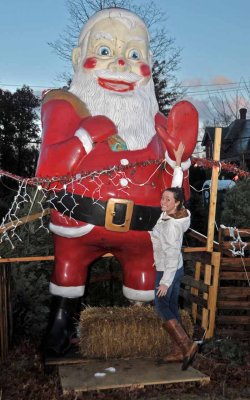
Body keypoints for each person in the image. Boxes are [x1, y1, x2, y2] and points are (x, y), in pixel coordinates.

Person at [36, 7, 198, 354]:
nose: (122, 64)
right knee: (68, 276)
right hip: (79, 222)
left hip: (143, 233)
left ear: (149, 65)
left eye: (134, 54)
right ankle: (60, 328)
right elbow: (47, 172)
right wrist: (84, 137)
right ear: (80, 58)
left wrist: (177, 161)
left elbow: (180, 196)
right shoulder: (64, 110)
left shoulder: (159, 127)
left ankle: (140, 339)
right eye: (106, 51)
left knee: (142, 290)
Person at [151, 156, 198, 370]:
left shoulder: (170, 225)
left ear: (176, 203)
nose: (163, 202)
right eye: (162, 198)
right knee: (171, 306)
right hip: (174, 267)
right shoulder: (177, 214)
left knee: (162, 306)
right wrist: (177, 164)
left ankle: (187, 345)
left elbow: (170, 254)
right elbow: (176, 186)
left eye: (167, 200)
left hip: (169, 269)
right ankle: (179, 350)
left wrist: (165, 282)